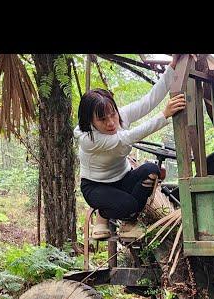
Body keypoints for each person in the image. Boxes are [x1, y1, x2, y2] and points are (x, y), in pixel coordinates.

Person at [74, 55, 189, 240]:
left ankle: (129, 219)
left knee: (153, 170)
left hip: (123, 178)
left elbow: (148, 101)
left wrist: (172, 68)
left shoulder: (118, 117)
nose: (111, 122)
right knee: (129, 204)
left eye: (112, 114)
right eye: (102, 119)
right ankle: (103, 214)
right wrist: (164, 115)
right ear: (90, 122)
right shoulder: (89, 139)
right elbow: (127, 138)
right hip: (96, 187)